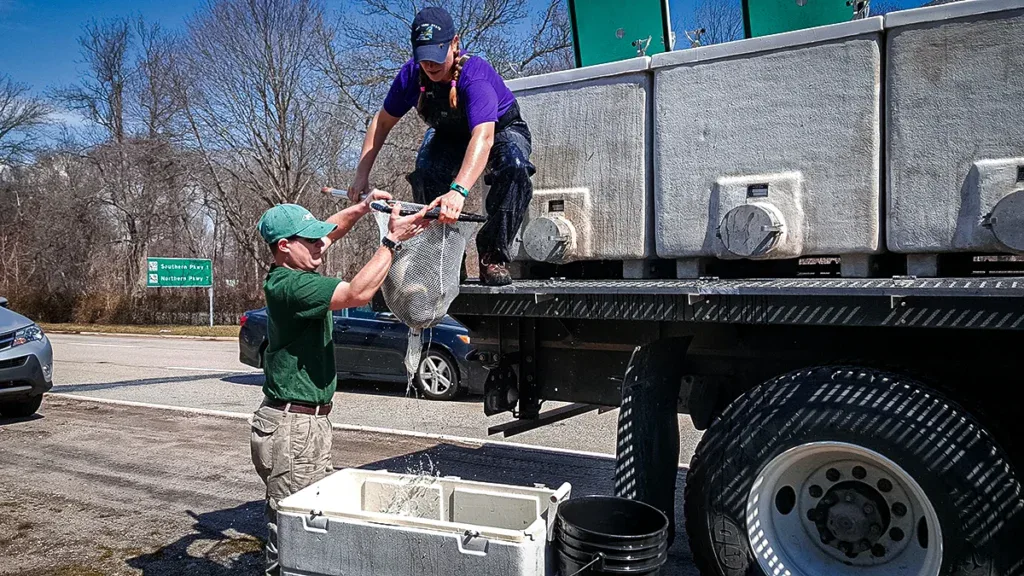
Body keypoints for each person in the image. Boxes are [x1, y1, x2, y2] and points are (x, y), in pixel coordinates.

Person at [249, 191, 429, 576]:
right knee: (293, 530)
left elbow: (332, 231)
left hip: (302, 423)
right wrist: (391, 242)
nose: (321, 244)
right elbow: (357, 293)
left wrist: (362, 208)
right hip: (292, 427)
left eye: (319, 238)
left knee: (308, 520)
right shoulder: (292, 285)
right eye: (311, 240)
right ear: (284, 246)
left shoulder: (296, 263)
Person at [347, 6, 536, 286]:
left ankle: (492, 255)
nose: (430, 65)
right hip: (449, 135)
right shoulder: (411, 76)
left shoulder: (475, 75)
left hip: (499, 131)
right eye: (424, 57)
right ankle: (446, 258)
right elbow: (382, 122)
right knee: (426, 172)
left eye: (437, 55)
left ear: (454, 43)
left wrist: (458, 191)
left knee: (514, 167)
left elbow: (483, 138)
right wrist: (361, 174)